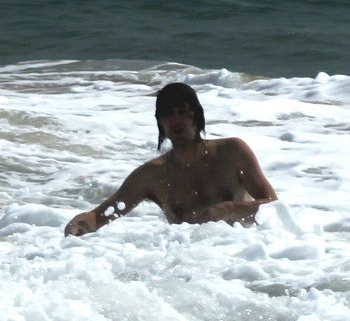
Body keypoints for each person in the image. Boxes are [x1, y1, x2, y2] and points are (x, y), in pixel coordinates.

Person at [64, 82, 277, 236]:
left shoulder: (232, 152)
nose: (176, 120)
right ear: (160, 122)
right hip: (192, 265)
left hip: (245, 258)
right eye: (168, 113)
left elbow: (273, 208)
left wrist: (227, 209)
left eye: (183, 112)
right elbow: (100, 216)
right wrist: (77, 225)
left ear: (197, 115)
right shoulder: (152, 175)